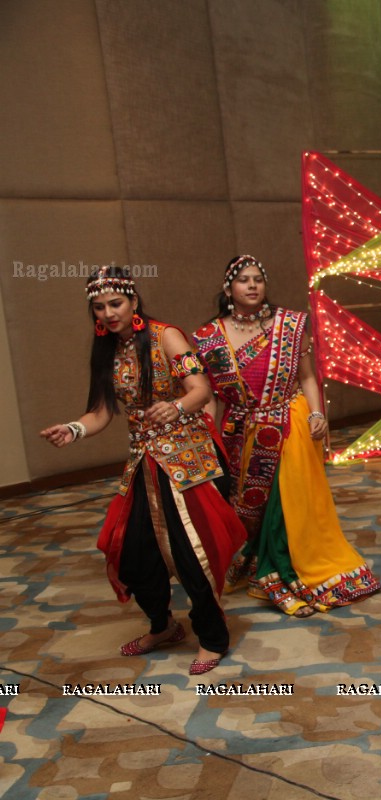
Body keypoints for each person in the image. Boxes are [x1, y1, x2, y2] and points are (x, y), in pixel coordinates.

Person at [40, 266, 245, 675]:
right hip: (142, 463)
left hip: (185, 461)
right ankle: (163, 626)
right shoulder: (107, 350)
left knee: (191, 553)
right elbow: (100, 412)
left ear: (133, 301)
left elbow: (201, 387)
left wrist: (177, 405)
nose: (107, 313)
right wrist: (74, 429)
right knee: (131, 552)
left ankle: (212, 638)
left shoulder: (166, 336)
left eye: (115, 303)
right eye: (98, 307)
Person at [193, 256, 380, 616]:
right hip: (240, 431)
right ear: (227, 289)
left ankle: (278, 573)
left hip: (287, 424)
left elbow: (308, 376)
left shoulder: (289, 325)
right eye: (244, 280)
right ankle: (261, 560)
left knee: (285, 503)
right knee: (250, 507)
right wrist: (209, 438)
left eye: (258, 279)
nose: (252, 286)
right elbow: (211, 397)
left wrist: (316, 413)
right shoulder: (209, 337)